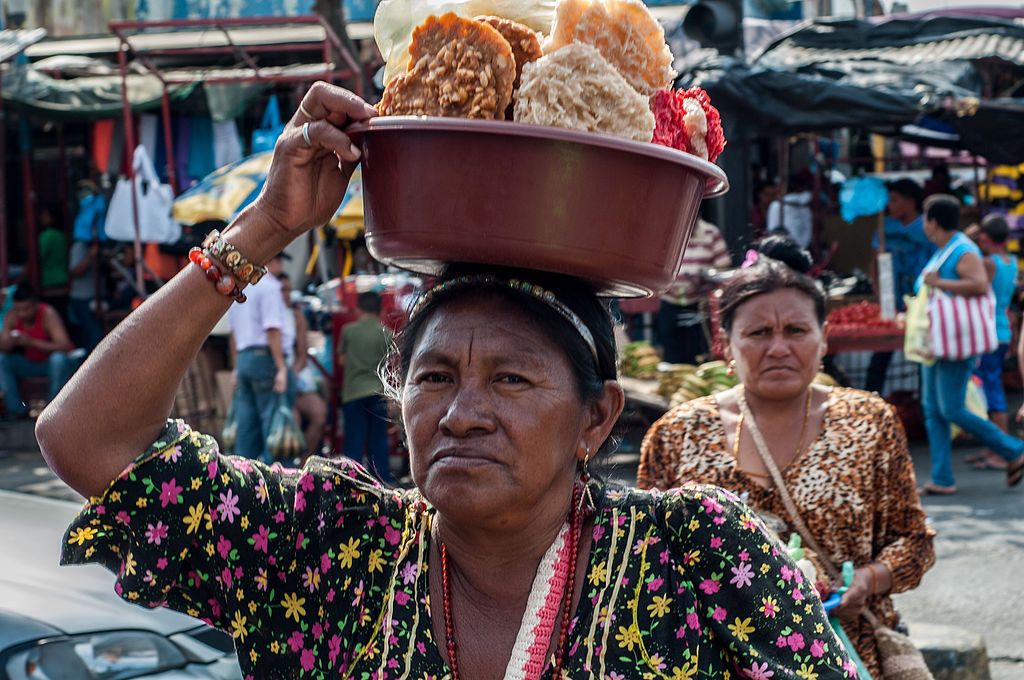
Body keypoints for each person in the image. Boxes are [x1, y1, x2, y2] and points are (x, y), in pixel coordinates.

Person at [36, 83, 854, 680]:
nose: (463, 413)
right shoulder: (335, 549)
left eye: (511, 379)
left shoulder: (696, 557)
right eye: (433, 376)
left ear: (596, 418)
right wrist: (265, 227)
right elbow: (85, 440)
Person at [637, 242, 936, 679]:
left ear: (824, 338)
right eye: (759, 333)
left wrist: (867, 581)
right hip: (715, 662)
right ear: (725, 343)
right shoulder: (677, 433)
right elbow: (648, 560)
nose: (778, 348)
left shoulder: (870, 422)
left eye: (796, 331)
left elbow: (915, 543)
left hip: (847, 655)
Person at [917, 194, 1024, 493]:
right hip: (936, 342)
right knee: (933, 409)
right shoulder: (947, 249)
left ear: (933, 220)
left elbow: (977, 284)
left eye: (925, 218)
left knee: (951, 409)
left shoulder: (962, 250)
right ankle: (941, 478)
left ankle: (1012, 449)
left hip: (956, 342)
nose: (923, 224)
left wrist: (940, 284)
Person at [865, 178, 935, 394]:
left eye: (894, 200)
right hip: (891, 303)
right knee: (881, 355)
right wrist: (878, 293)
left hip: (922, 306)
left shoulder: (929, 226)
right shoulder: (885, 226)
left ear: (910, 201)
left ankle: (924, 407)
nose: (889, 205)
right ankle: (871, 399)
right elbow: (875, 262)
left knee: (922, 358)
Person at [226, 251, 294, 461]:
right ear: (271, 261)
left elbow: (233, 335)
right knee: (274, 428)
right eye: (279, 260)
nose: (281, 265)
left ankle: (240, 484)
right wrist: (281, 367)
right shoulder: (270, 286)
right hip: (265, 359)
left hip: (245, 359)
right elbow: (272, 328)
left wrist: (237, 366)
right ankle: (278, 487)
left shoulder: (241, 289)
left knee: (246, 429)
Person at [966, 215, 1018, 470]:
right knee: (989, 388)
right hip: (1001, 331)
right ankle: (994, 447)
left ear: (985, 237)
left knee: (992, 391)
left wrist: (967, 236)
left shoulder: (988, 263)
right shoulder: (1012, 262)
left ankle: (1003, 451)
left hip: (988, 333)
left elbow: (960, 263)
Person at [656, 215, 731, 364]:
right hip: (669, 302)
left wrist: (704, 275)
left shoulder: (711, 233)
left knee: (697, 353)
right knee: (672, 353)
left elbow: (723, 266)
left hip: (698, 305)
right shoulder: (666, 232)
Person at [339, 290, 395, 484]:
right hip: (377, 391)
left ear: (358, 309)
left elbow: (341, 360)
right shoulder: (385, 332)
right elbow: (389, 362)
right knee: (378, 440)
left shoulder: (348, 330)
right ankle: (381, 481)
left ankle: (350, 481)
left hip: (353, 391)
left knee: (354, 439)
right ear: (380, 310)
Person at [0, 284, 75, 418]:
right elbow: (3, 346)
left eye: (26, 309)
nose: (21, 314)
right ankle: (16, 410)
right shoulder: (11, 315)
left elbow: (65, 346)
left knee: (58, 359)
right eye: (18, 309)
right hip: (30, 364)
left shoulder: (48, 313)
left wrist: (31, 342)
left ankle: (52, 411)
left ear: (36, 305)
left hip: (51, 365)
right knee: (2, 359)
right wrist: (10, 341)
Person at [279, 272, 327, 460]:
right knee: (293, 420)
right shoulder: (265, 313)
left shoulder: (296, 316)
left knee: (320, 413)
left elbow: (302, 353)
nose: (286, 294)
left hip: (296, 379)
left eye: (288, 290)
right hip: (276, 382)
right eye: (282, 290)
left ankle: (303, 464)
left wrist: (292, 373)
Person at [67, 238, 103, 352]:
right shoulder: (79, 247)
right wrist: (91, 256)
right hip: (82, 298)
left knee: (96, 334)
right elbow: (76, 271)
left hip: (96, 296)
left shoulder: (100, 246)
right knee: (92, 335)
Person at [766, 170, 813, 250]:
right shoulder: (805, 207)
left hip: (782, 251)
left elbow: (771, 229)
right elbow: (807, 233)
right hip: (799, 251)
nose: (776, 188)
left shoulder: (776, 206)